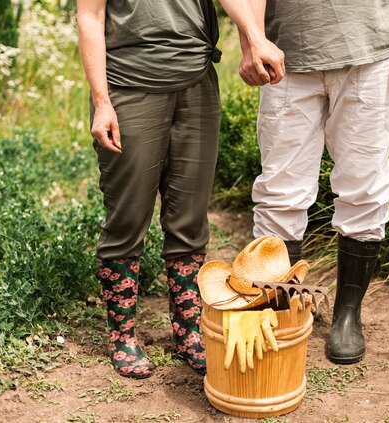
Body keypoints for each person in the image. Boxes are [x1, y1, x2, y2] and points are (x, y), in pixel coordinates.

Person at [77, 0, 284, 379]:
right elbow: (90, 16)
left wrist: (256, 38)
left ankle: (188, 329)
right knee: (127, 216)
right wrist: (101, 101)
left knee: (189, 218)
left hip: (197, 84)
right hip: (129, 87)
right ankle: (123, 334)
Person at [238, 0, 389, 364]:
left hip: (371, 54)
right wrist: (251, 40)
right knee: (279, 194)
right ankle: (282, 311)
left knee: (364, 190)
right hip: (286, 57)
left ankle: (347, 315)